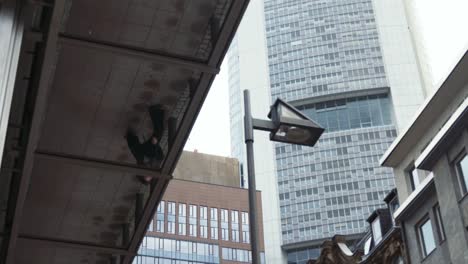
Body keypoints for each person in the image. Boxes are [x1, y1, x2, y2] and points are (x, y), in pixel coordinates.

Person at [126, 104, 165, 183]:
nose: (149, 174)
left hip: (145, 149)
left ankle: (155, 111)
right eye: (150, 176)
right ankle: (156, 111)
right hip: (151, 146)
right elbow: (159, 155)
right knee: (159, 131)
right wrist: (156, 144)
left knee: (159, 132)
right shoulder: (156, 165)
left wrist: (129, 137)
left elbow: (136, 151)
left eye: (146, 176)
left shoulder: (141, 164)